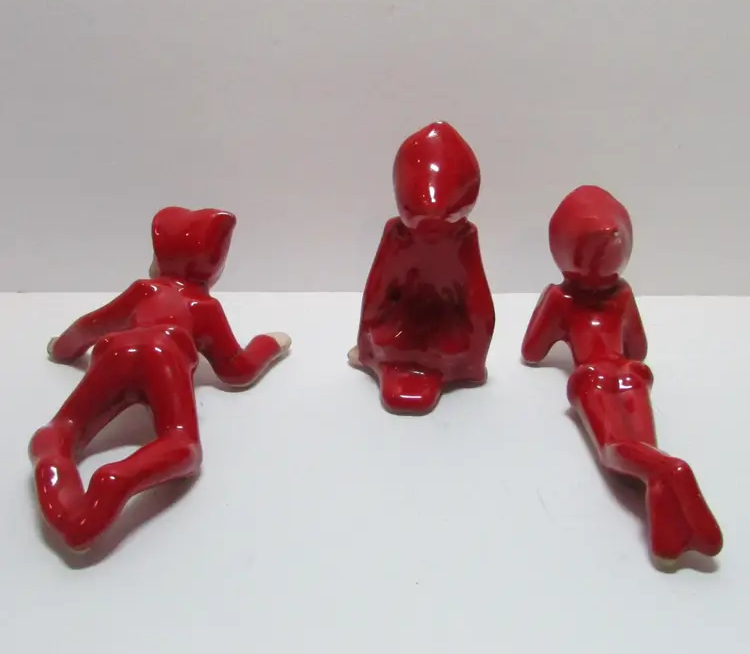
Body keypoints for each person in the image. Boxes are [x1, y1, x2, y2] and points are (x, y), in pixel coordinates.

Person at [29, 206, 290, 551]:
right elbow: (236, 370)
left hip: (116, 351)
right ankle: (118, 479)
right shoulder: (206, 309)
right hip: (165, 356)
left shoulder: (144, 291)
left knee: (63, 428)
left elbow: (89, 326)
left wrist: (61, 348)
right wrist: (268, 344)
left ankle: (54, 463)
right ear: (215, 269)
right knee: (181, 443)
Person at [521, 185, 722, 562]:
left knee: (614, 452)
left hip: (591, 378)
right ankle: (670, 497)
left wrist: (548, 303)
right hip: (632, 373)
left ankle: (670, 473)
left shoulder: (563, 300)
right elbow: (638, 349)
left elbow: (532, 352)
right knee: (644, 450)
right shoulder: (623, 294)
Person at [349, 121, 495, 414]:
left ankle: (430, 364)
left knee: (447, 344)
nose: (430, 229)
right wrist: (366, 345)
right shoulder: (397, 235)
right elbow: (377, 293)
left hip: (446, 333)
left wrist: (473, 361)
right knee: (392, 340)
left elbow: (478, 307)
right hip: (402, 328)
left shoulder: (464, 239)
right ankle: (393, 361)